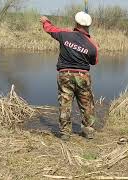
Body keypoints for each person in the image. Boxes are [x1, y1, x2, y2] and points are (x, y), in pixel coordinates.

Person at [40, 12, 99, 140]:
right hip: (83, 76)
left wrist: (45, 21)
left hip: (65, 75)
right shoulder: (92, 44)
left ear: (76, 23)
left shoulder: (64, 34)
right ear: (88, 25)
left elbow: (50, 29)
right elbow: (94, 62)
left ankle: (65, 133)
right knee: (87, 103)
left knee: (65, 103)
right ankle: (88, 130)